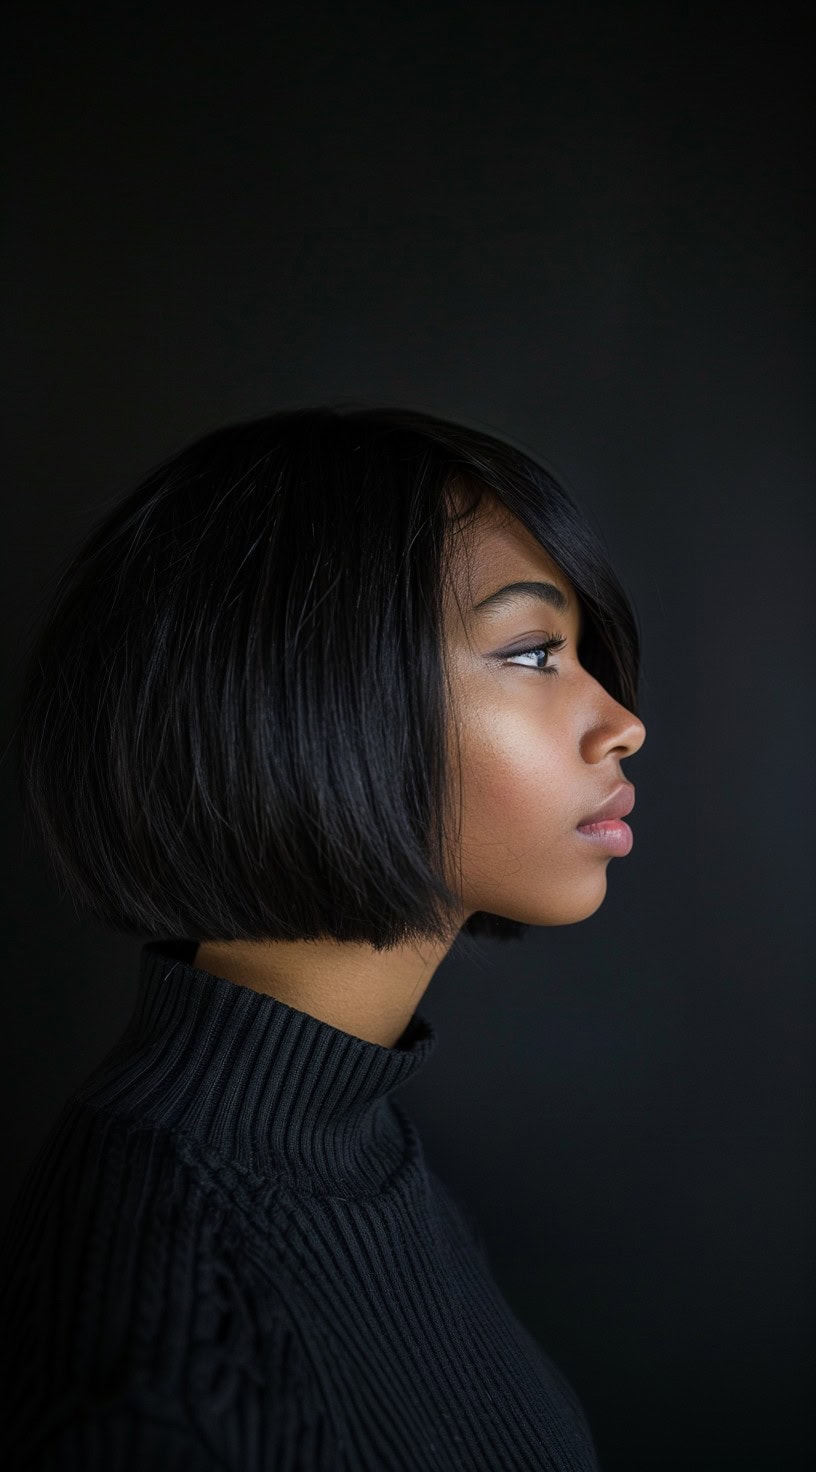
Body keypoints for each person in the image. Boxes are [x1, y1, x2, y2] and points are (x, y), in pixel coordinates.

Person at [1, 403, 646, 1469]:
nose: (622, 719)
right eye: (535, 653)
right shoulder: (162, 1370)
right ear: (315, 698)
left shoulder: (348, 1139)